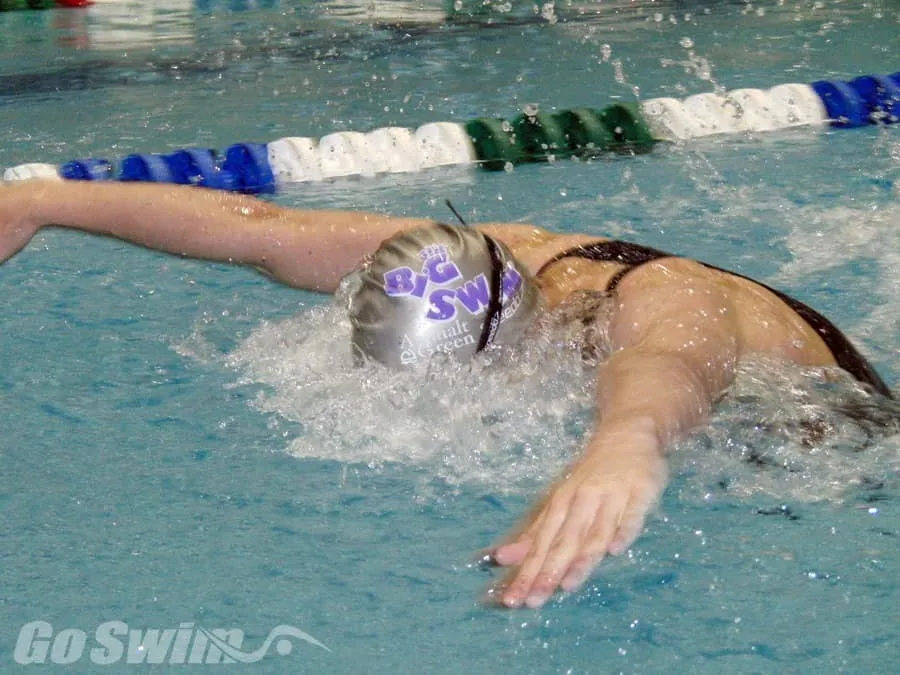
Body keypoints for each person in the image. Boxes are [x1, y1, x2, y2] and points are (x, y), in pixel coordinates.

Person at [0, 179, 893, 609]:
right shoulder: (504, 253)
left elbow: (669, 364)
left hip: (827, 446)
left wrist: (624, 444)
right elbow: (261, 232)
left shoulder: (665, 294)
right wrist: (42, 201)